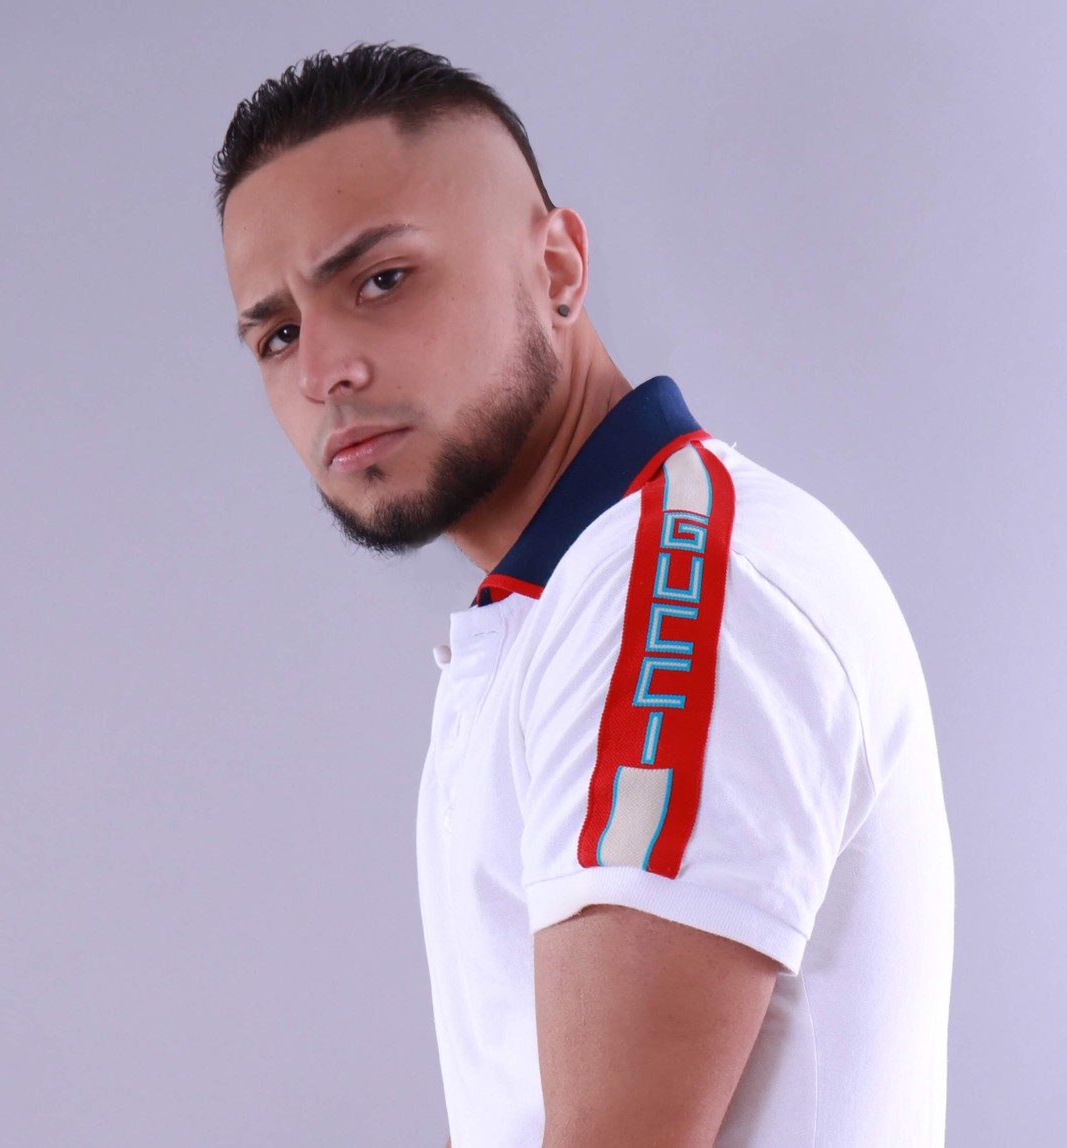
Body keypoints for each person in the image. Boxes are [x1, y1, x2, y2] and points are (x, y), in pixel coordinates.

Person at [215, 43, 954, 1148]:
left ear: (558, 267)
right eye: (277, 333)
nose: (324, 372)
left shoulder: (670, 586)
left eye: (381, 281)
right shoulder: (573, 601)